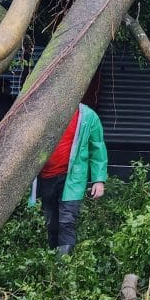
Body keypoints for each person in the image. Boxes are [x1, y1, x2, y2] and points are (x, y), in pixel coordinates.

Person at [33, 103, 108, 255]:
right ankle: (54, 262)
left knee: (66, 221)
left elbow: (97, 148)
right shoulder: (42, 112)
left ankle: (63, 268)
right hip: (46, 176)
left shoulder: (88, 117)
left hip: (72, 178)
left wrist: (99, 180)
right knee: (51, 223)